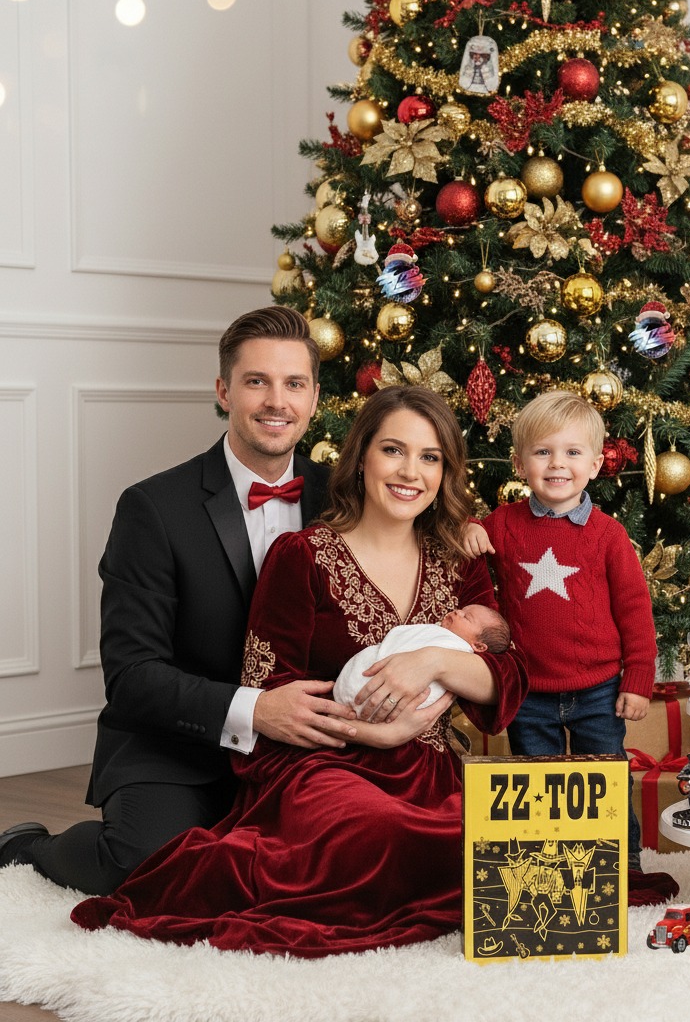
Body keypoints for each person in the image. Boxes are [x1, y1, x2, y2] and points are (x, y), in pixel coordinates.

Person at [71, 384, 529, 956]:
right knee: (376, 830)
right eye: (394, 450)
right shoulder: (301, 555)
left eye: (431, 457)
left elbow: (508, 681)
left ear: (445, 472)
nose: (411, 471)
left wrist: (434, 660)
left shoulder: (458, 559)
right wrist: (376, 733)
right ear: (361, 456)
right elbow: (272, 701)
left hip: (430, 767)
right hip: (320, 766)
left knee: (503, 841)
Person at [0, 306, 364, 895]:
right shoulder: (152, 509)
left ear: (316, 398)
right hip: (178, 741)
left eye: (294, 383)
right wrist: (255, 710)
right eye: (256, 381)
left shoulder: (347, 500)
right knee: (145, 866)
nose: (278, 401)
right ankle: (27, 848)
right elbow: (132, 675)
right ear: (223, 392)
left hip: (305, 748)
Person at [462, 390, 658, 877]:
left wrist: (637, 681)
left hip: (598, 688)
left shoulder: (609, 535)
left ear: (595, 464)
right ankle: (548, 864)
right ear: (519, 462)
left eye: (572, 453)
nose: (557, 464)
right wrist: (466, 526)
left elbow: (635, 612)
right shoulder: (504, 524)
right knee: (540, 783)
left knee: (605, 776)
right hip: (528, 689)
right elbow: (457, 530)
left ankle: (622, 863)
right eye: (543, 452)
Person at [333, 604, 510, 716]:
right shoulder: (437, 632)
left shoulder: (456, 648)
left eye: (466, 617)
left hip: (395, 703)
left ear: (479, 646)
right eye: (461, 610)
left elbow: (505, 679)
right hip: (363, 694)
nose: (458, 612)